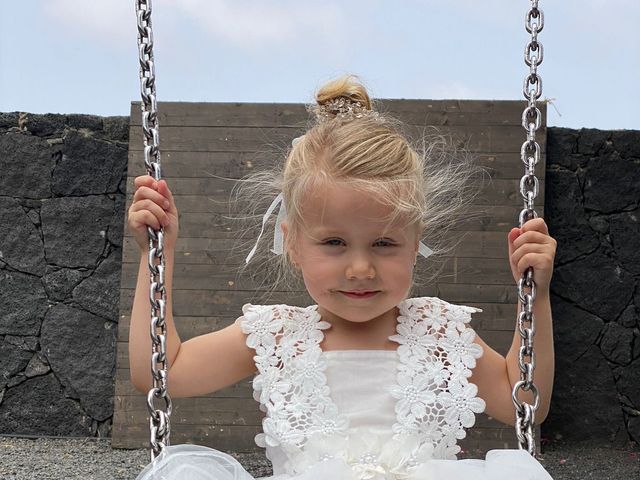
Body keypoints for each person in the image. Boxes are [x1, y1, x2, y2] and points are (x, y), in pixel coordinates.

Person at [128, 75, 557, 479]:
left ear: (414, 242)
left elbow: (523, 402)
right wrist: (156, 257)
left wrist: (535, 296)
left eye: (384, 244)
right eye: (334, 243)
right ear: (292, 242)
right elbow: (161, 374)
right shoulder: (276, 335)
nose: (360, 268)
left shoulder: (440, 332)